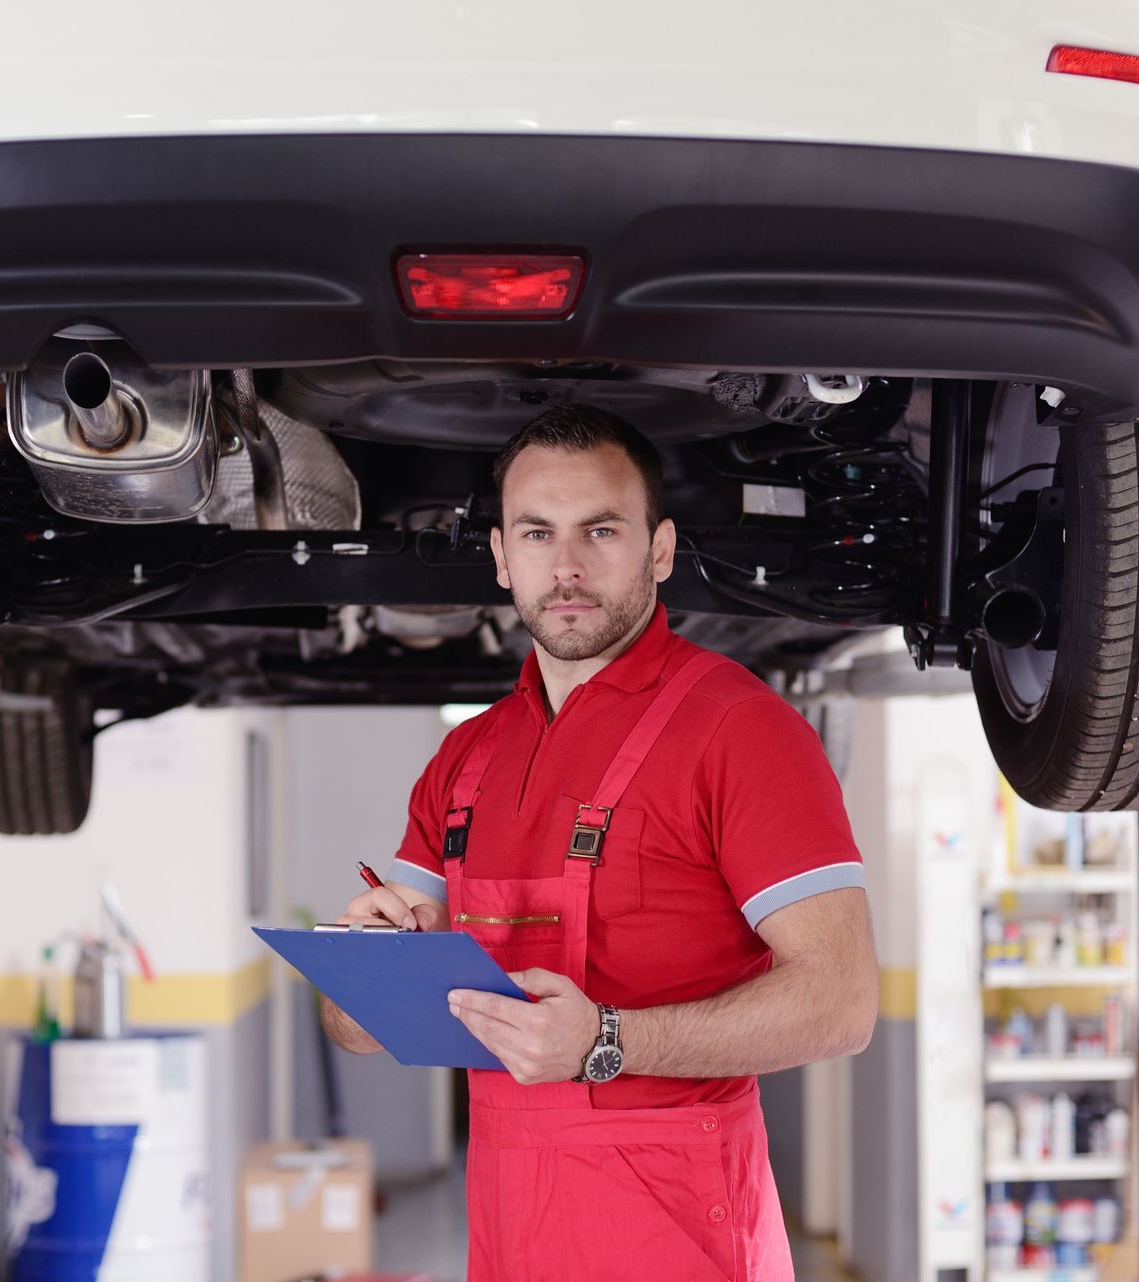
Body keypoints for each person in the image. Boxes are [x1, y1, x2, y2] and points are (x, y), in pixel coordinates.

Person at [322, 403, 878, 1282]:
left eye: (602, 530)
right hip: (510, 1229)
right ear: (503, 557)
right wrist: (360, 961)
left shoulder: (742, 730)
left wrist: (607, 1041)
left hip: (677, 1230)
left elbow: (842, 1003)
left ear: (659, 550)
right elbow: (358, 1028)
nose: (568, 566)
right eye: (537, 533)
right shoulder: (463, 761)